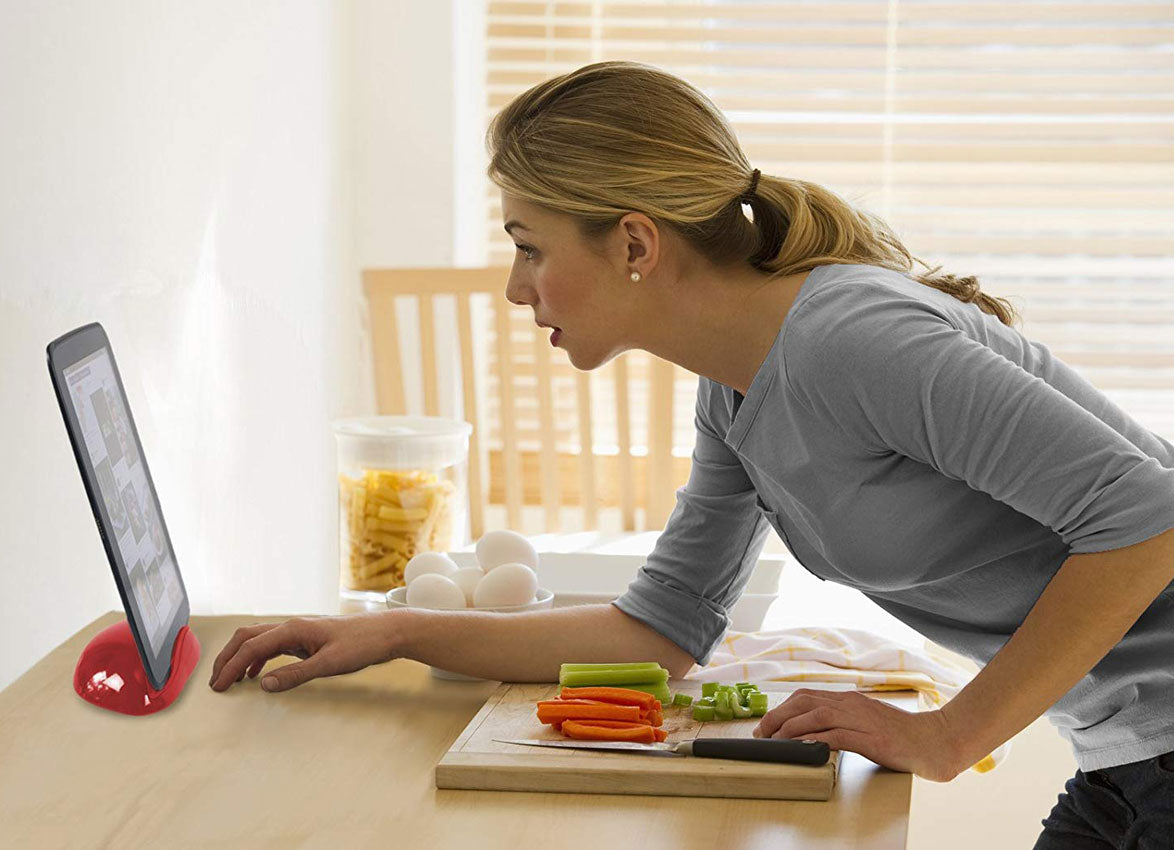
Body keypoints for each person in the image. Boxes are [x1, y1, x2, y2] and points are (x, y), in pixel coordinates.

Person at [208, 61, 1174, 844]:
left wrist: (950, 735)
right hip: (1124, 758)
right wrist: (392, 633)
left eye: (530, 247)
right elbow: (661, 630)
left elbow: (1146, 517)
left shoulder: (853, 340)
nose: (515, 289)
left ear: (634, 242)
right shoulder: (737, 388)